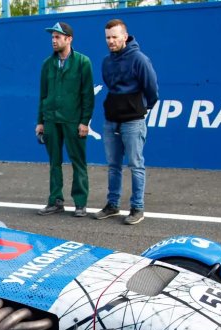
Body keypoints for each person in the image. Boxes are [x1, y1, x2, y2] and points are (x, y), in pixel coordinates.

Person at [93, 19, 158, 226]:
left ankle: (137, 207)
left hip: (133, 122)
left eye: (114, 37)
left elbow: (152, 89)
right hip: (111, 121)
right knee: (113, 165)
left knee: (136, 165)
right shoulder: (106, 61)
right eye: (107, 37)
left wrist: (140, 108)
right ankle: (112, 205)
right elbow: (111, 86)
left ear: (125, 36)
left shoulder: (139, 59)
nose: (110, 41)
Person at [36, 22, 94, 218]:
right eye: (52, 37)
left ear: (69, 39)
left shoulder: (83, 62)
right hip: (51, 120)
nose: (53, 40)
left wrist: (84, 121)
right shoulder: (47, 64)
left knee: (78, 162)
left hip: (73, 121)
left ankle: (80, 203)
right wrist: (40, 121)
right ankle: (55, 201)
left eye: (58, 37)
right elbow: (43, 95)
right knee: (54, 162)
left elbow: (88, 95)